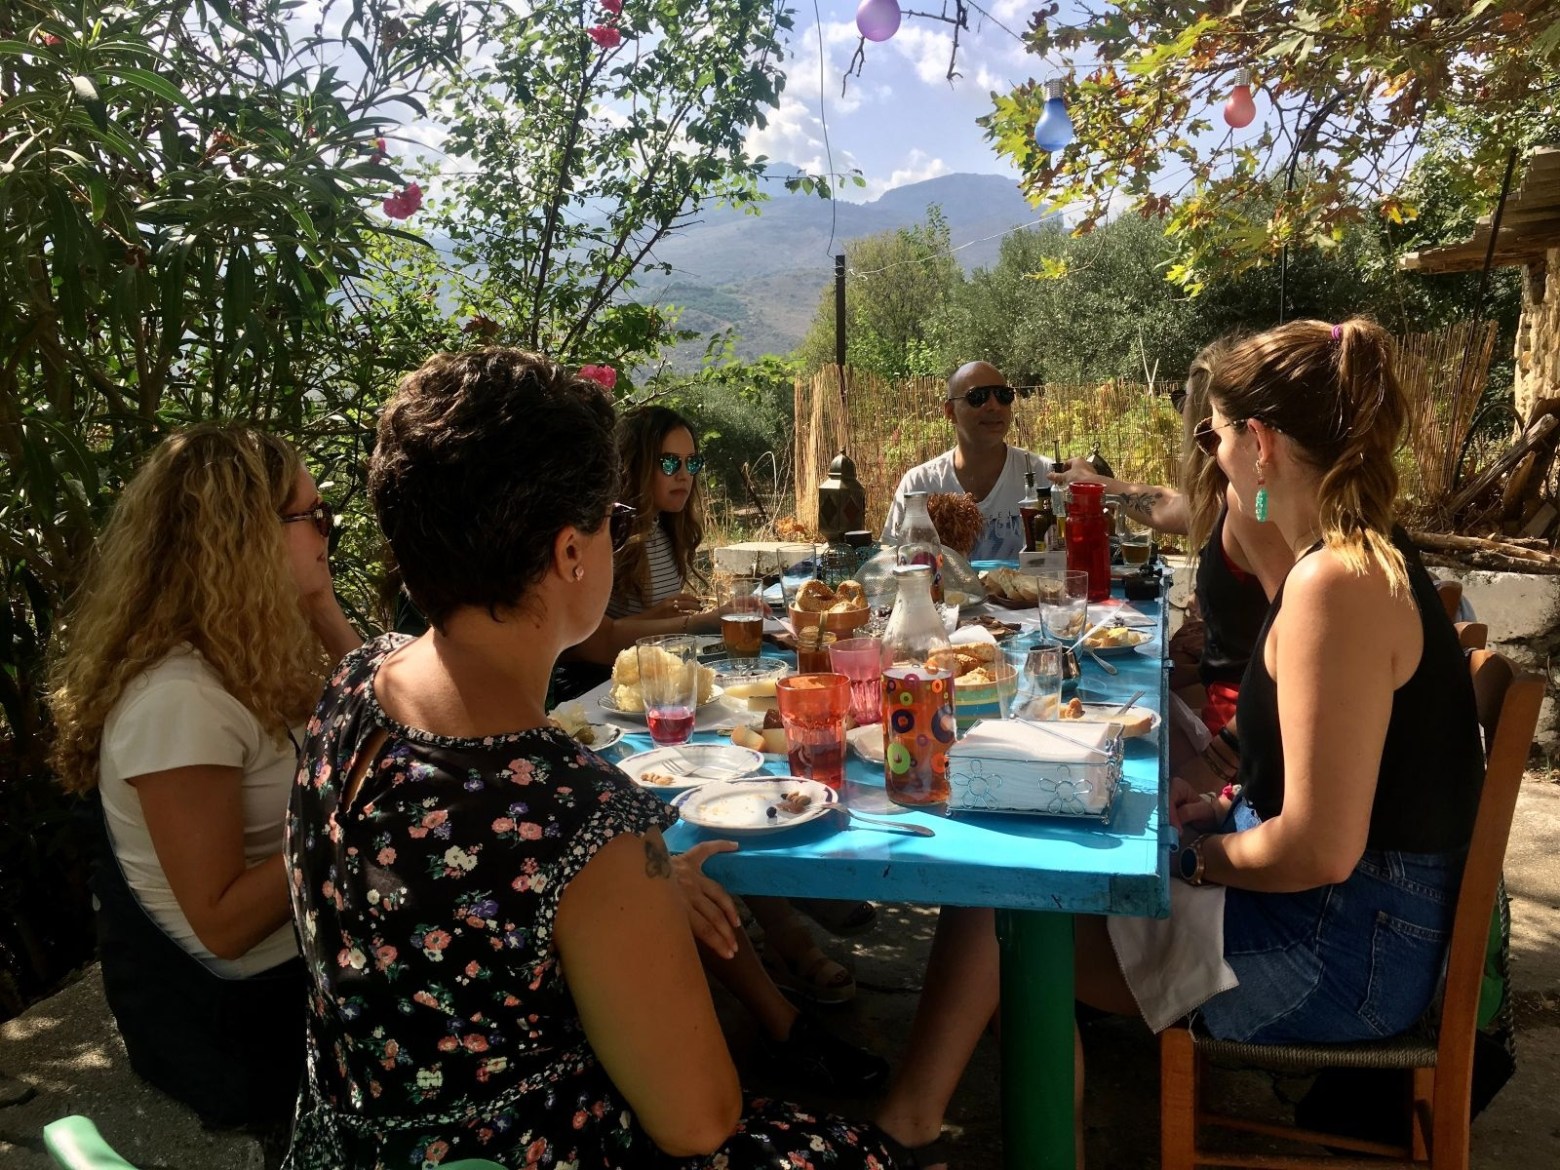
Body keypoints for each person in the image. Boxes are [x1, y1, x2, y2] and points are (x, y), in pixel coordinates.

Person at [872, 318, 1486, 1170]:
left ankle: (916, 1128)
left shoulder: (1335, 585)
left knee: (1012, 901)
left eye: (1217, 435)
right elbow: (1334, 788)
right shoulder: (1348, 560)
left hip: (1344, 954)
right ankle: (944, 1123)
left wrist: (1200, 861)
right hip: (1364, 919)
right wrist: (1224, 807)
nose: (1211, 455)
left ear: (1260, 446)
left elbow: (1319, 847)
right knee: (1032, 873)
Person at [284, 348, 904, 1168]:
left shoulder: (352, 686)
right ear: (572, 553)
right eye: (612, 522)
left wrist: (628, 896)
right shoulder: (582, 813)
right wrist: (630, 884)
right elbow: (700, 1121)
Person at [48, 424, 361, 1127]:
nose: (327, 531)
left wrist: (320, 606)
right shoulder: (179, 699)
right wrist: (350, 820)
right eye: (310, 517)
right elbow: (223, 924)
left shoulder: (242, 650)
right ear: (244, 537)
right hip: (252, 1021)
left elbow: (389, 732)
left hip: (305, 962)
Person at [564, 404, 880, 1000]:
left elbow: (637, 617)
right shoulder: (615, 535)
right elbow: (595, 641)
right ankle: (790, 930)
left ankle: (796, 894)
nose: (684, 474)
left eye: (693, 462)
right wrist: (704, 617)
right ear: (636, 466)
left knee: (748, 748)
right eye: (669, 462)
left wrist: (667, 615)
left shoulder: (661, 532)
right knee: (719, 774)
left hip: (660, 688)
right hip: (612, 705)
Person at [1050, 343, 1293, 767]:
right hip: (1234, 703)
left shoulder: (1250, 506)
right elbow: (1166, 503)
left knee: (1100, 750)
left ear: (1211, 423)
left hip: (1242, 732)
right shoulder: (1239, 499)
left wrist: (1218, 766)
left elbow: (1292, 646)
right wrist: (1095, 482)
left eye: (1181, 401)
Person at [881, 361, 1050, 561]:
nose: (994, 406)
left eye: (1003, 396)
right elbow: (892, 558)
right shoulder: (919, 486)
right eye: (977, 397)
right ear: (950, 412)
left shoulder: (1044, 476)